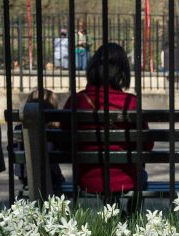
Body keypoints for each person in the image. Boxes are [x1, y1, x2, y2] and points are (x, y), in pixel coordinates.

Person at [63, 43, 152, 212]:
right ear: (122, 72)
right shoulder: (131, 103)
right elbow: (147, 145)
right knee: (140, 174)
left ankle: (115, 213)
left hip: (86, 179)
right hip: (127, 178)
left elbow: (64, 144)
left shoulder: (76, 101)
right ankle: (131, 217)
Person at [14, 88, 65, 197]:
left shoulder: (19, 129)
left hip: (25, 175)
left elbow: (12, 149)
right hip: (52, 177)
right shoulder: (54, 130)